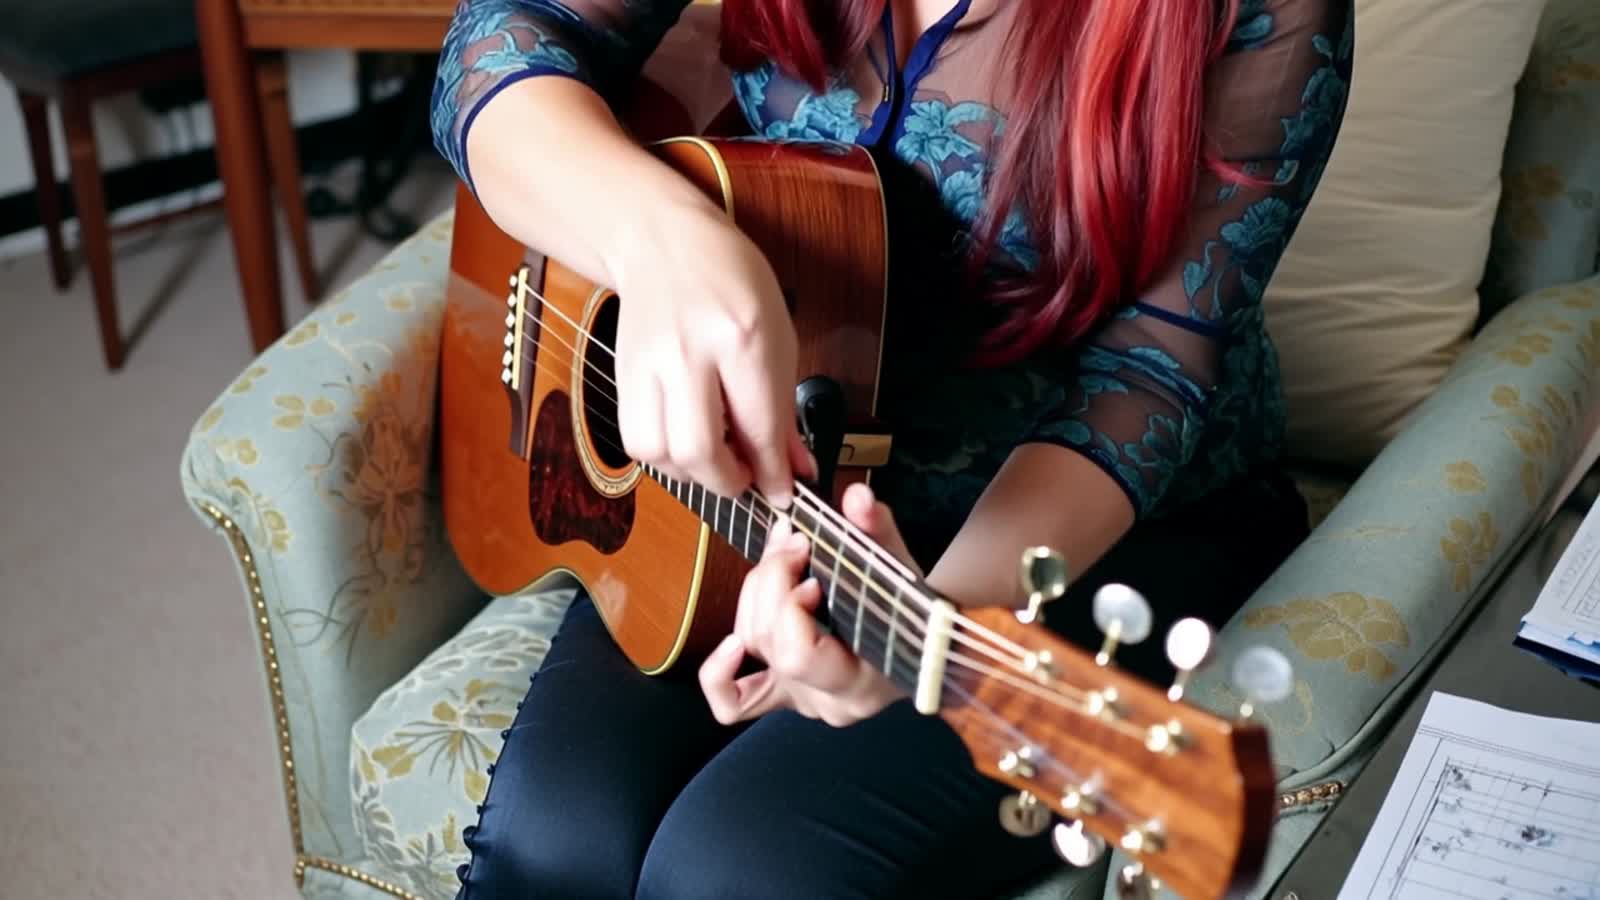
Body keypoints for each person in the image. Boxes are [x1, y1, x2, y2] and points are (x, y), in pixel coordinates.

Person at [429, 0, 1352, 896]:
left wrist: (928, 632)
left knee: (741, 865)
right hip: (773, 461)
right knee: (557, 832)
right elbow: (499, 35)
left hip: (1103, 529)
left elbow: (1148, 377)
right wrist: (654, 240)